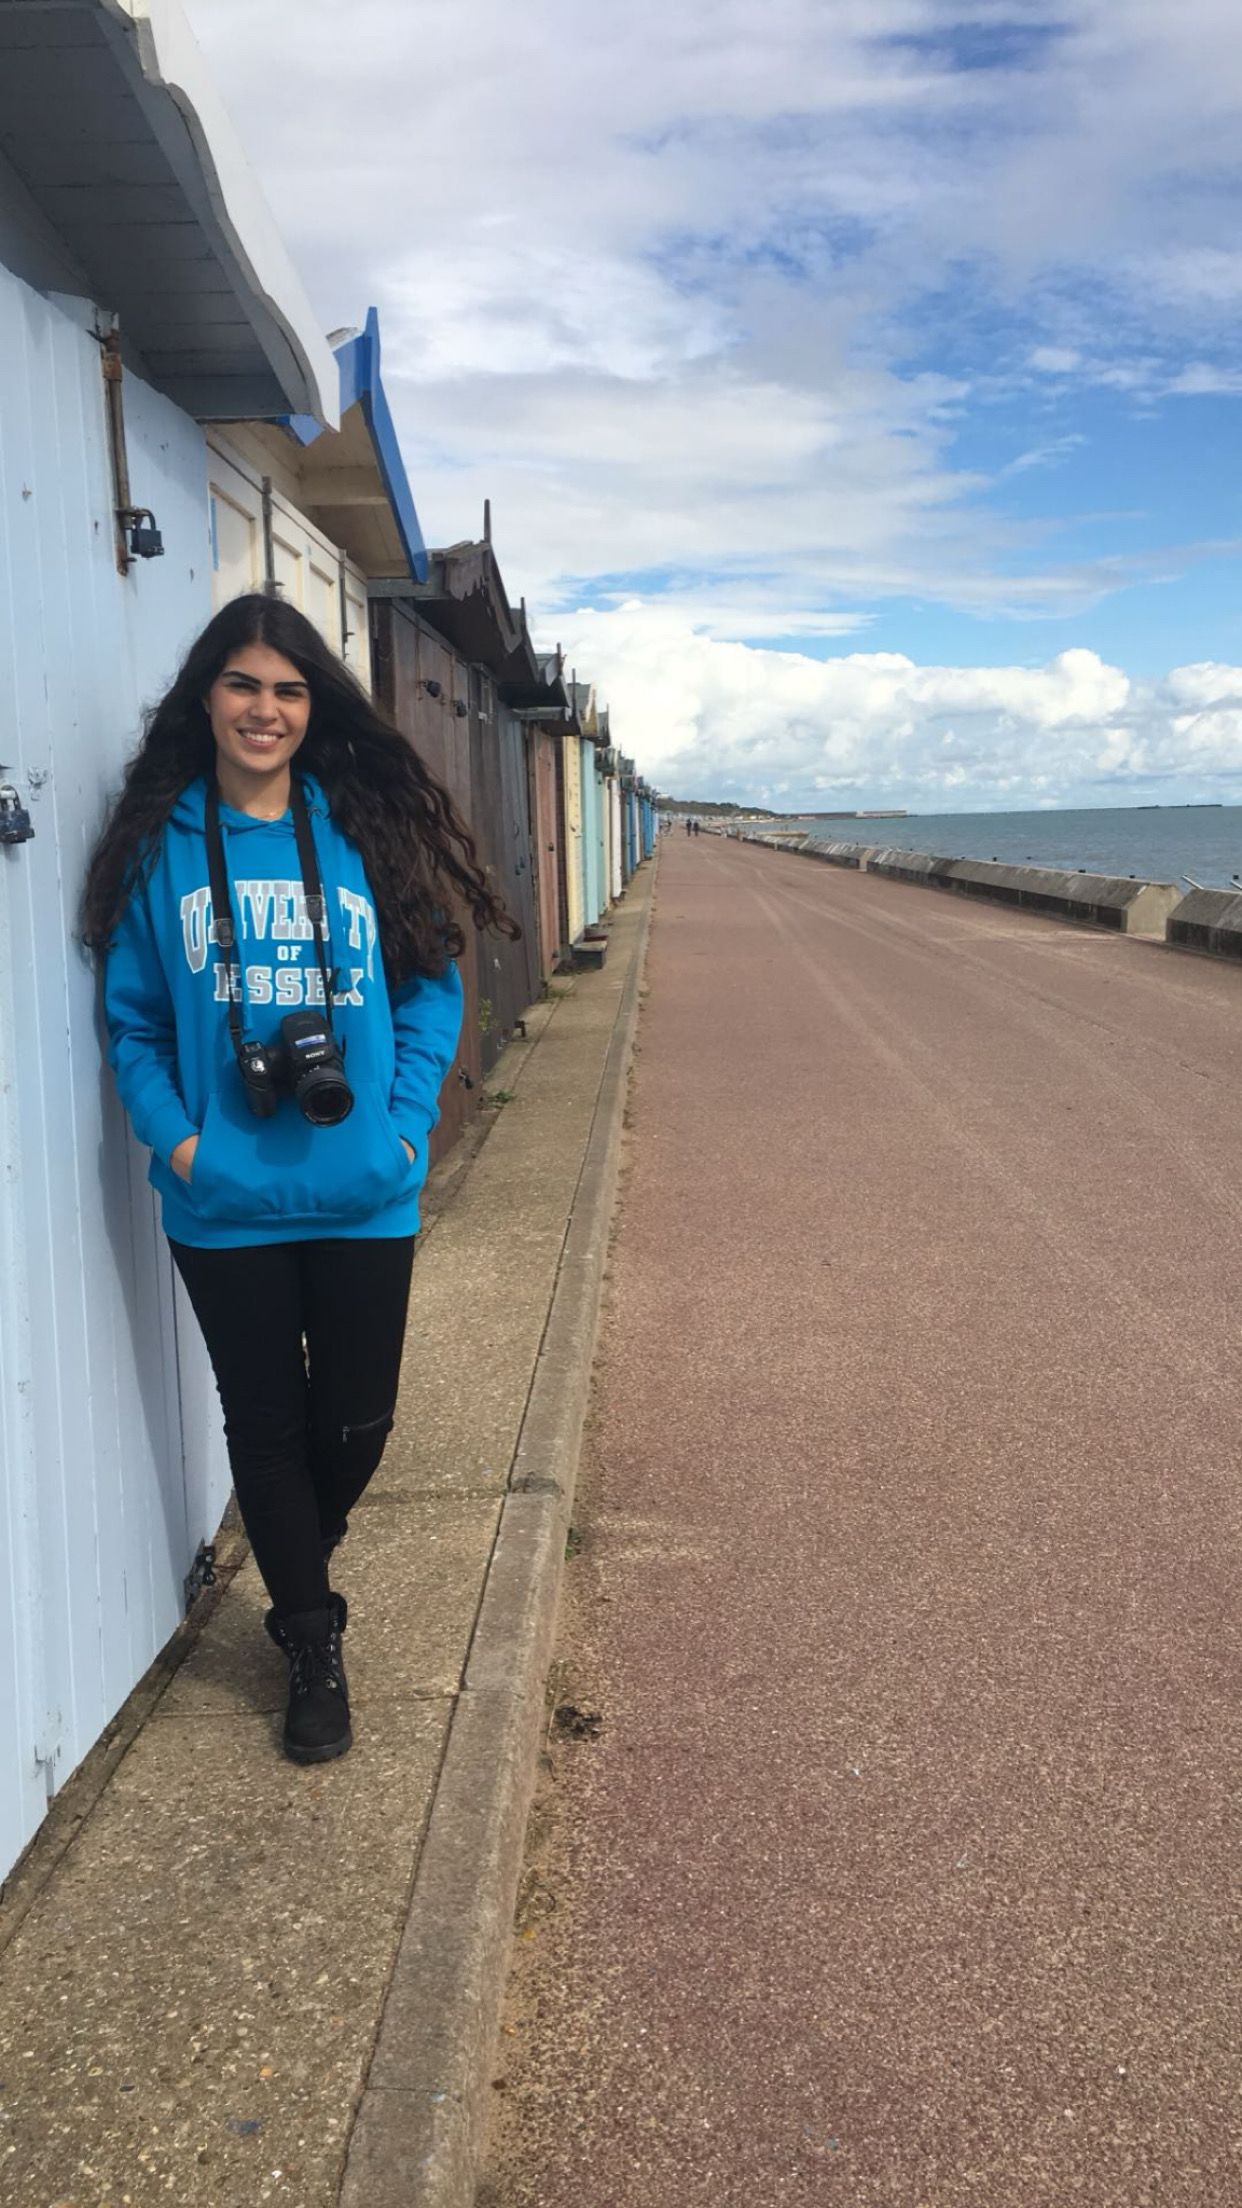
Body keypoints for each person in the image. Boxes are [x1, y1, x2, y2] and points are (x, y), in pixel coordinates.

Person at [83, 593, 517, 1766]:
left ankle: (289, 1577)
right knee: (264, 1426)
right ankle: (313, 1645)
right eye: (242, 685)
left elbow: (431, 986)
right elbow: (131, 1022)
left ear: (311, 707)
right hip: (222, 1206)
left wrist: (404, 1121)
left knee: (360, 1420)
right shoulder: (161, 841)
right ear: (206, 700)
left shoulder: (362, 831)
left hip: (364, 1187)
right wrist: (182, 1143)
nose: (265, 709)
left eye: (288, 689)